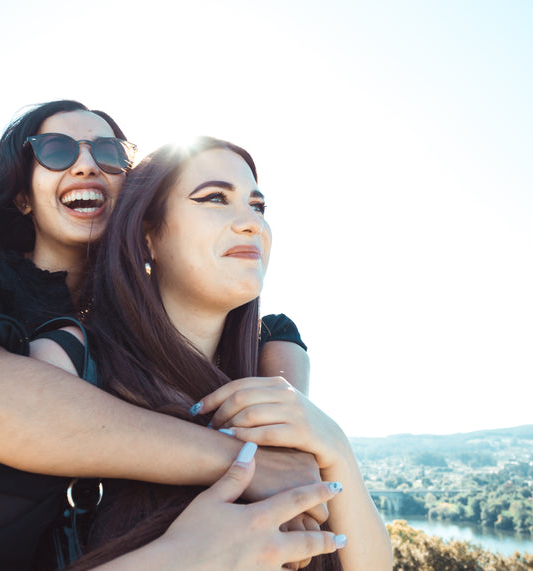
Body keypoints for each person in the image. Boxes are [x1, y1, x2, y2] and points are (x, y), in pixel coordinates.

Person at [0, 101, 329, 570]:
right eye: (54, 150)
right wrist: (242, 462)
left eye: (109, 152)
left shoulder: (134, 327)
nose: (85, 163)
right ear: (23, 197)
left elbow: (275, 374)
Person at [28, 137, 391, 570]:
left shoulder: (272, 375)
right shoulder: (69, 360)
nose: (251, 223)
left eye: (258, 207)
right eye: (215, 198)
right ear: (148, 237)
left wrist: (336, 448)